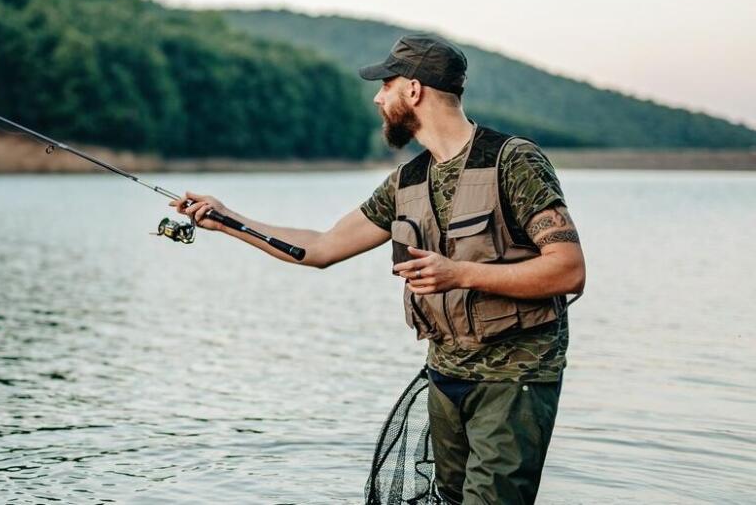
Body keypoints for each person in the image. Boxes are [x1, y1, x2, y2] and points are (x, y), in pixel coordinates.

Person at [170, 34, 585, 505]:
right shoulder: (405, 182)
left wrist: (461, 274)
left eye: (384, 85)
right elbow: (322, 247)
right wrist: (227, 220)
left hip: (515, 381)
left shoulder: (514, 161)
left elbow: (568, 270)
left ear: (413, 90)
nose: (376, 96)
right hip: (446, 380)